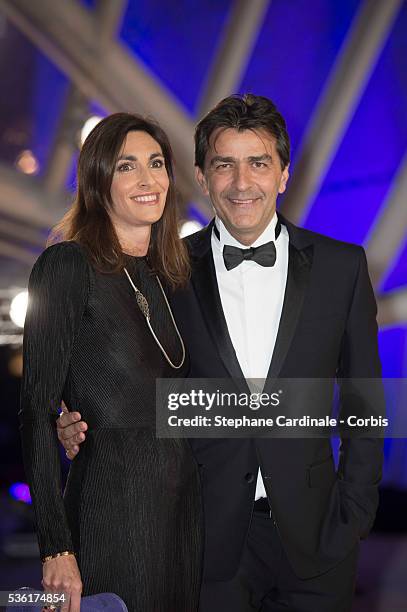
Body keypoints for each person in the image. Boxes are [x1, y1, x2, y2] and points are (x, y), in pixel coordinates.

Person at [58, 94, 384, 612]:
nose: (241, 182)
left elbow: (366, 399)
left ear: (282, 175)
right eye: (223, 164)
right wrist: (77, 418)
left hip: (320, 538)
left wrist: (356, 509)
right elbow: (129, 382)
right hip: (200, 540)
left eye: (258, 163)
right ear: (202, 177)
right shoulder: (162, 273)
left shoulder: (341, 267)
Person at [20, 113, 203, 612]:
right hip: (110, 519)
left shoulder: (170, 277)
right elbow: (36, 413)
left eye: (157, 163)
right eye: (127, 166)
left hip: (183, 525)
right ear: (99, 179)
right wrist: (56, 547)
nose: (148, 179)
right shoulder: (66, 266)